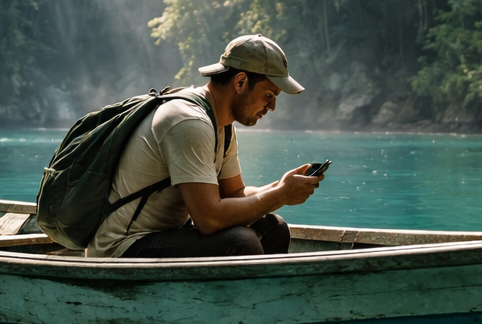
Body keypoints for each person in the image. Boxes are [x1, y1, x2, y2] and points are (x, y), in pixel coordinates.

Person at [86, 34, 321, 258]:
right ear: (240, 81)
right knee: (242, 242)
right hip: (121, 248)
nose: (272, 107)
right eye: (269, 94)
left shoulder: (222, 124)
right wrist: (280, 195)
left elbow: (235, 194)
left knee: (273, 227)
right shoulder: (189, 122)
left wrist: (279, 186)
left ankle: (259, 301)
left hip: (164, 236)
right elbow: (209, 219)